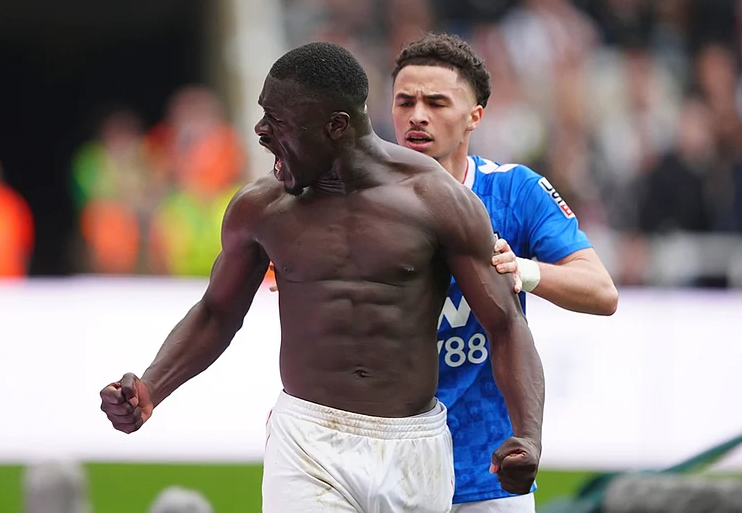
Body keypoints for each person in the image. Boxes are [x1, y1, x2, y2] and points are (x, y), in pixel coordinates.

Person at [100, 42, 545, 512]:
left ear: (337, 126)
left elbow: (506, 325)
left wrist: (528, 436)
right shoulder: (261, 208)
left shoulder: (435, 200)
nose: (260, 132)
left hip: (415, 447)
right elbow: (217, 312)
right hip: (307, 440)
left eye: (279, 122)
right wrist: (151, 388)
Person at [391, 33, 619, 512]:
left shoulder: (515, 190)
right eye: (405, 101)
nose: (417, 115)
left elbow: (601, 291)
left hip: (490, 467)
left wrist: (525, 272)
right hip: (385, 462)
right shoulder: (361, 200)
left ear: (475, 116)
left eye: (436, 102)